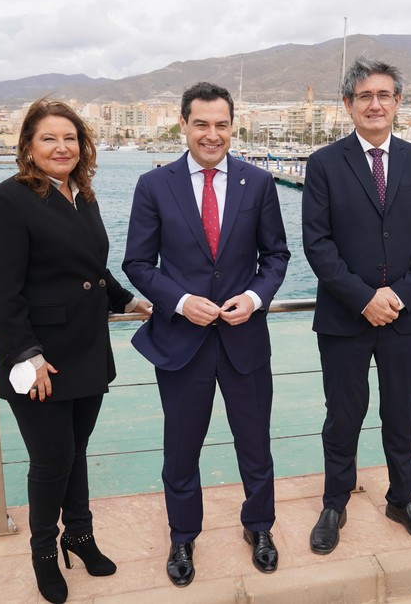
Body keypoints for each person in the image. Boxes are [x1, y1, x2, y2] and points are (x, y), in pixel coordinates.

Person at [0, 98, 152, 604]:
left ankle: (79, 535)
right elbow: (0, 293)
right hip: (42, 360)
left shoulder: (83, 195)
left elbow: (91, 269)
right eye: (49, 138)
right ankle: (42, 554)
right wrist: (26, 354)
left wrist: (126, 300)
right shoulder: (6, 201)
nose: (61, 147)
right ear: (28, 146)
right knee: (52, 460)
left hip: (87, 350)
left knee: (75, 454)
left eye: (70, 138)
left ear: (82, 145)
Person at [122, 82, 289, 587]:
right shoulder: (154, 185)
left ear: (232, 126)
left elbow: (276, 256)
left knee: (255, 445)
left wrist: (254, 298)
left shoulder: (259, 183)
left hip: (244, 340)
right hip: (181, 343)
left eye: (221, 125)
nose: (211, 134)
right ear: (184, 125)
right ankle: (182, 536)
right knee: (181, 450)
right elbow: (137, 263)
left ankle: (259, 527)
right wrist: (180, 301)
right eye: (201, 124)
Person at [302, 57, 411, 554]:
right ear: (348, 104)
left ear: (398, 102)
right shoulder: (324, 164)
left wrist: (400, 295)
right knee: (342, 415)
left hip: (407, 317)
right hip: (345, 317)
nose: (375, 104)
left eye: (384, 95)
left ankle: (402, 499)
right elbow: (317, 244)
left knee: (402, 414)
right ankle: (334, 502)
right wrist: (364, 298)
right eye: (364, 96)